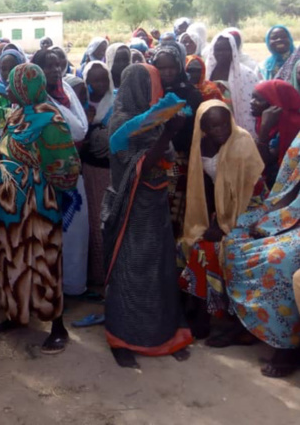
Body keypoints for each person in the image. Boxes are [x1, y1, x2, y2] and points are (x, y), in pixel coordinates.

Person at [0, 63, 81, 353]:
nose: (8, 90)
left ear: (26, 88)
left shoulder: (51, 120)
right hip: (9, 205)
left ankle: (57, 326)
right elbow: (8, 148)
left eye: (13, 85)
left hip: (37, 203)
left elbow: (66, 165)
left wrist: (40, 182)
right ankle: (16, 313)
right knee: (12, 256)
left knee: (44, 257)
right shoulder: (17, 115)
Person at [102, 64, 193, 369]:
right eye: (152, 84)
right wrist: (168, 133)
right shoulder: (122, 121)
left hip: (155, 205)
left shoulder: (153, 119)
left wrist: (167, 133)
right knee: (130, 271)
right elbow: (135, 165)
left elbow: (167, 158)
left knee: (160, 271)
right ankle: (121, 339)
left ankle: (165, 334)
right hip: (130, 208)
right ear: (138, 87)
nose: (157, 91)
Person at [179, 101, 264, 339]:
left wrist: (224, 226)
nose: (221, 130)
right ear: (203, 128)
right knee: (189, 242)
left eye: (225, 124)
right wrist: (208, 221)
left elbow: (248, 191)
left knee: (209, 250)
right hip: (223, 210)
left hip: (251, 211)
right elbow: (204, 186)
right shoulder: (200, 144)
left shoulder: (241, 141)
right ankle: (196, 307)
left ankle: (208, 317)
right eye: (214, 126)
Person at [220, 131, 300, 378]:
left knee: (279, 258)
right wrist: (271, 218)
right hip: (292, 213)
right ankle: (249, 324)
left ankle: (287, 346)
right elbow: (288, 187)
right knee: (233, 238)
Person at [30, 49, 91, 298]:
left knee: (76, 232)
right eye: (48, 66)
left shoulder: (65, 91)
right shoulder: (32, 99)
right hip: (45, 179)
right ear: (37, 70)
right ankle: (49, 290)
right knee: (48, 234)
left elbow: (80, 130)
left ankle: (73, 285)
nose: (55, 70)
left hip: (72, 175)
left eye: (58, 65)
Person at [150, 44, 204, 238]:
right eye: (161, 67)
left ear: (180, 66)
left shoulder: (191, 94)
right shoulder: (150, 91)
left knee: (174, 210)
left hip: (180, 161)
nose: (167, 72)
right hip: (152, 160)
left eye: (171, 67)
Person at [80, 60, 114, 286]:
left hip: (110, 170)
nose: (100, 84)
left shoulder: (116, 101)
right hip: (88, 170)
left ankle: (108, 273)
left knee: (107, 220)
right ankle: (95, 273)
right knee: (91, 221)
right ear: (87, 82)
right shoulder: (80, 103)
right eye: (95, 80)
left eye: (104, 79)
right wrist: (88, 120)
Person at [205, 31, 259, 136]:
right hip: (211, 124)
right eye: (218, 50)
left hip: (237, 122)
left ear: (233, 50)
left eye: (226, 49)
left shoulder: (246, 74)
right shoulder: (207, 72)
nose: (221, 53)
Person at [250, 79, 300, 183]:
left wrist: (264, 129)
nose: (251, 102)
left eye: (258, 99)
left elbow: (264, 162)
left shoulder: (292, 127)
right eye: (252, 97)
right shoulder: (264, 120)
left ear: (275, 103)